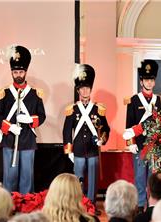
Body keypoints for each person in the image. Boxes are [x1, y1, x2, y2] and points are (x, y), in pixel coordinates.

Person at [0, 45, 46, 194]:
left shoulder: (35, 94)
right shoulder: (5, 93)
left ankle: (26, 206)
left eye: (21, 71)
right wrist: (8, 127)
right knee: (10, 177)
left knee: (26, 178)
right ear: (11, 72)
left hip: (28, 140)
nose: (18, 75)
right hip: (9, 140)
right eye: (15, 72)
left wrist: (30, 119)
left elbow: (42, 116)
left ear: (26, 72)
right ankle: (8, 205)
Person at [62, 64, 110, 213]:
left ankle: (91, 206)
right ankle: (78, 206)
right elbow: (66, 131)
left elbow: (106, 128)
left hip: (93, 150)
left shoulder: (98, 109)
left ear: (91, 90)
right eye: (82, 88)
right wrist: (69, 151)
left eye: (87, 88)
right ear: (78, 90)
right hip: (77, 150)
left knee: (93, 182)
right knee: (78, 181)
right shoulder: (73, 109)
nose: (85, 91)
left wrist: (103, 138)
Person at [123, 59, 160, 211]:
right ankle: (139, 205)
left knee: (153, 178)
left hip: (155, 145)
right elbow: (129, 124)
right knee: (139, 177)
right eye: (146, 79)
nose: (149, 82)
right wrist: (130, 143)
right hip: (139, 144)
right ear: (141, 81)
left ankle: (152, 205)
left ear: (154, 81)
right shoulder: (133, 100)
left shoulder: (160, 101)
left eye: (151, 79)